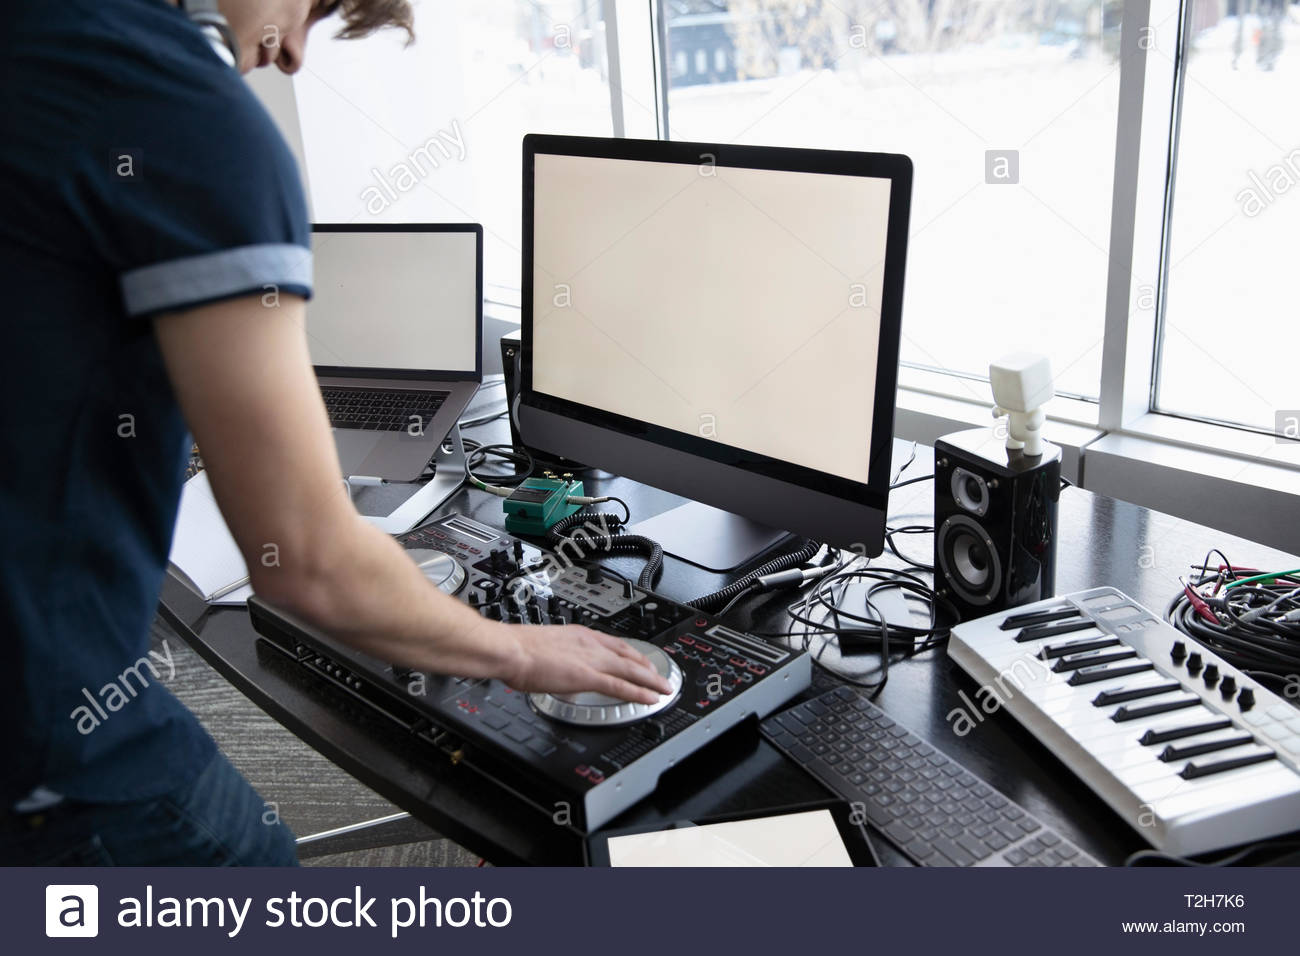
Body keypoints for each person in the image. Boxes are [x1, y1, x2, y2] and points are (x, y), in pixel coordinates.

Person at [0, 0, 670, 866]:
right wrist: (519, 648)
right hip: (51, 748)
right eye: (314, 8)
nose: (295, 56)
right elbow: (306, 566)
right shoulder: (182, 112)